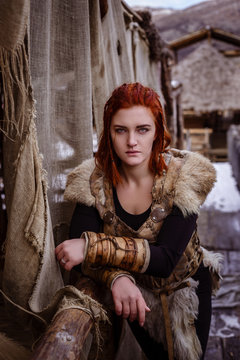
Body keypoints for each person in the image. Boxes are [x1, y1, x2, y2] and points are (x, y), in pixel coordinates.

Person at [55, 83, 222, 360]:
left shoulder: (185, 177)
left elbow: (166, 258)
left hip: (187, 285)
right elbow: (80, 258)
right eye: (121, 130)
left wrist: (91, 246)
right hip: (135, 293)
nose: (132, 141)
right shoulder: (91, 182)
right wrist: (116, 277)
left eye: (142, 129)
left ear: (157, 131)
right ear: (109, 133)